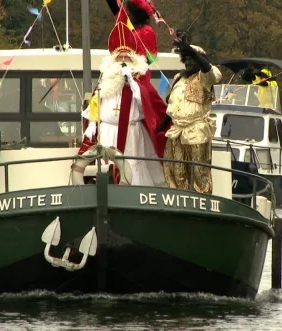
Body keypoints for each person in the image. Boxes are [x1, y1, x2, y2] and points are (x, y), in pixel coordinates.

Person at [79, 22, 167, 186]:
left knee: (133, 168)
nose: (123, 60)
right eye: (120, 57)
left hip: (131, 134)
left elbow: (146, 104)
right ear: (114, 59)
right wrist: (92, 123)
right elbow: (96, 101)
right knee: (106, 167)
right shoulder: (106, 78)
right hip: (107, 132)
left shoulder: (139, 80)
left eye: (127, 57)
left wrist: (131, 80)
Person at [156, 35, 222, 193]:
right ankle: (180, 195)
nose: (188, 62)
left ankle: (203, 198)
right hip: (177, 131)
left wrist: (192, 51)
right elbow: (173, 106)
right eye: (185, 59)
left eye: (192, 59)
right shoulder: (179, 78)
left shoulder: (205, 77)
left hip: (197, 130)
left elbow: (209, 69)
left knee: (199, 170)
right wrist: (162, 125)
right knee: (176, 169)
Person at [106, 0, 157, 83]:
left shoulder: (147, 31)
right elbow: (116, 9)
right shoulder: (125, 23)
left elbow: (152, 56)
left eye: (130, 12)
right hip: (121, 70)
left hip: (140, 74)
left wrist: (137, 67)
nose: (128, 13)